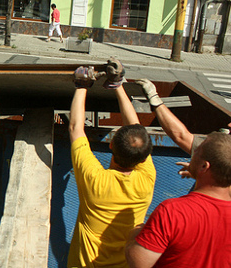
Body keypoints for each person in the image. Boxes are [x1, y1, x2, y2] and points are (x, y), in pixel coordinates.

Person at [67, 59, 156, 267]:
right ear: (143, 158)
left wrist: (82, 87)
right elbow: (76, 129)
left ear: (111, 147)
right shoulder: (146, 179)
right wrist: (113, 86)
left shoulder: (95, 180)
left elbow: (74, 128)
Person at [125, 132, 231, 268]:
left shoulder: (172, 212)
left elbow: (138, 262)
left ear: (204, 166)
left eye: (197, 151)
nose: (192, 155)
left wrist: (135, 233)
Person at [136, 78, 231, 172]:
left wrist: (154, 99)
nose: (229, 124)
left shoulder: (221, 151)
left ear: (205, 166)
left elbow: (181, 136)